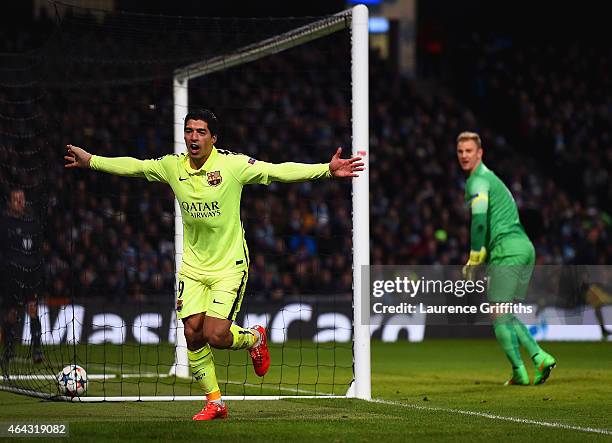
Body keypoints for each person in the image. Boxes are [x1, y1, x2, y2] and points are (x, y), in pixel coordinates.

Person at [65, 108, 364, 419]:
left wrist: (325, 171)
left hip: (229, 265)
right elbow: (136, 167)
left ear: (213, 137)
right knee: (192, 333)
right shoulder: (173, 166)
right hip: (193, 267)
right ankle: (215, 402)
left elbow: (277, 171)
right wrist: (91, 161)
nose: (193, 137)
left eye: (201, 132)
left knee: (216, 335)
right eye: (189, 130)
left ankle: (254, 338)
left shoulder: (233, 165)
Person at [457, 131, 556, 386]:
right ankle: (534, 360)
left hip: (507, 250)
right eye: (460, 151)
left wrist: (475, 257)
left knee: (497, 313)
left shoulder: (477, 182)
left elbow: (479, 222)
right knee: (504, 313)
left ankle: (524, 367)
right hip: (524, 248)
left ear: (480, 154)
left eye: (469, 151)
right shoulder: (494, 181)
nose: (464, 156)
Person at [0, 189, 44, 374]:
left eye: (21, 199)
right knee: (11, 312)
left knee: (33, 308)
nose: (19, 202)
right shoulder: (4, 223)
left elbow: (39, 250)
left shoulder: (32, 223)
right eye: (15, 199)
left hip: (30, 275)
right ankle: (8, 350)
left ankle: (36, 349)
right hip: (11, 274)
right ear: (10, 202)